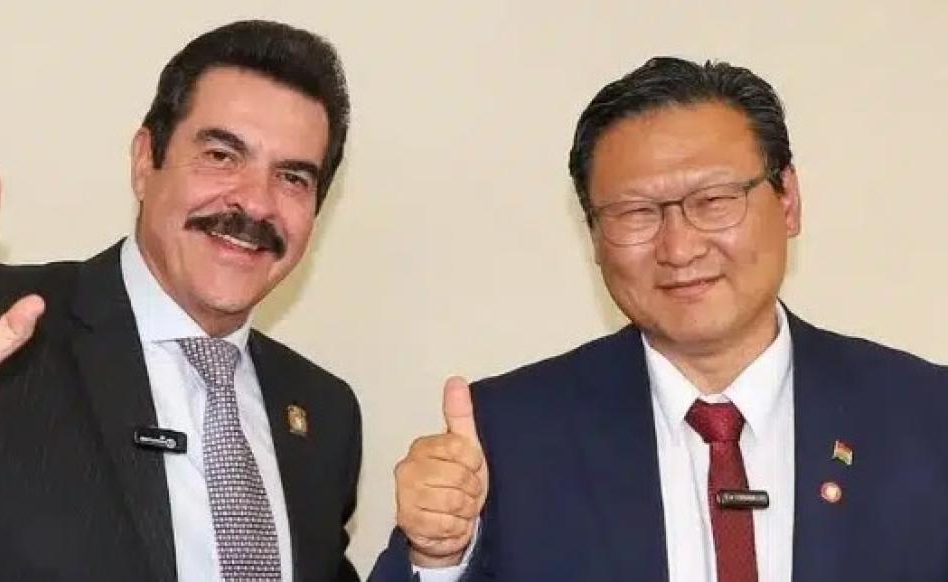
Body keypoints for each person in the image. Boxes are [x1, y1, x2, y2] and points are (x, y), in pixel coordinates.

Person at [372, 57, 948, 581]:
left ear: (788, 201)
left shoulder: (925, 417)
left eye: (714, 201)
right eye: (635, 213)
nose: (679, 247)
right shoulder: (508, 437)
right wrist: (440, 559)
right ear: (594, 236)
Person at [0, 19, 360, 582]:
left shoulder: (325, 412)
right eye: (222, 155)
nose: (256, 203)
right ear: (145, 161)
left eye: (292, 178)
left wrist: (429, 561)